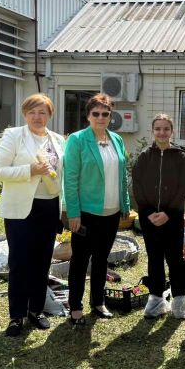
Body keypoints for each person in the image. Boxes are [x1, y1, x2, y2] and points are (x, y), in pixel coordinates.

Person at [0, 93, 66, 337]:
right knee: (20, 261)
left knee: (42, 261)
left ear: (50, 115)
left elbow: (62, 175)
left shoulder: (57, 140)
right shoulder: (14, 135)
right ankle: (16, 316)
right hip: (21, 208)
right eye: (32, 112)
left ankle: (36, 310)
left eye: (42, 112)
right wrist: (30, 170)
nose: (37, 117)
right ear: (25, 114)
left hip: (49, 207)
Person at [63, 93, 131, 326]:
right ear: (88, 115)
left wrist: (125, 203)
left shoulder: (116, 139)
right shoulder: (77, 140)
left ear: (111, 116)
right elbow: (70, 179)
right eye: (96, 113)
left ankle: (98, 302)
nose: (101, 117)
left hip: (111, 212)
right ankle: (75, 307)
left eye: (105, 114)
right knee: (80, 261)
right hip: (86, 213)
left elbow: (122, 175)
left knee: (102, 259)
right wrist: (73, 213)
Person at [132, 113, 185, 319]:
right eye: (158, 129)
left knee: (174, 258)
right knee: (154, 258)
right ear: (153, 131)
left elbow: (183, 187)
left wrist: (168, 213)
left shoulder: (180, 157)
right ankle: (156, 298)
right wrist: (148, 212)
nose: (162, 133)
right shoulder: (145, 156)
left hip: (172, 217)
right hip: (149, 218)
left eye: (166, 129)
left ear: (172, 131)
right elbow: (137, 185)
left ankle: (179, 298)